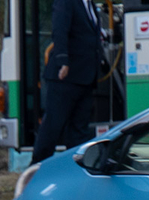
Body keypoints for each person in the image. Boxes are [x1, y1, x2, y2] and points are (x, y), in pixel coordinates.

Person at [30, 0, 101, 165]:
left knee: (79, 131)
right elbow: (60, 29)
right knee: (52, 128)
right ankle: (35, 170)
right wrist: (63, 60)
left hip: (85, 77)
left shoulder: (89, 4)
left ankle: (75, 172)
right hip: (65, 76)